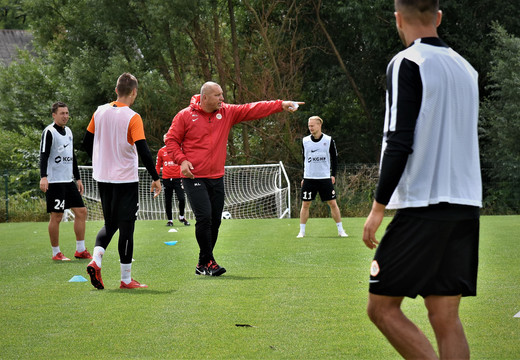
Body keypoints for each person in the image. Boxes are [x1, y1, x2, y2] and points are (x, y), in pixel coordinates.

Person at [362, 1, 481, 359]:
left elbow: (399, 139)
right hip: (466, 204)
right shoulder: (467, 68)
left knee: (381, 307)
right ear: (438, 17)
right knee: (445, 316)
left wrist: (378, 207)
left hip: (424, 204)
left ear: (398, 18)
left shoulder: (407, 62)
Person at [165, 81, 303, 276]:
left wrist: (280, 104)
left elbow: (252, 109)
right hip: (193, 176)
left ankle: (203, 263)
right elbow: (170, 140)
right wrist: (182, 161)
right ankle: (209, 261)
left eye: (222, 94)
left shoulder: (227, 112)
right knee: (204, 218)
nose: (222, 98)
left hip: (217, 177)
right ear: (204, 97)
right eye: (217, 95)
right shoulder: (185, 115)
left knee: (215, 222)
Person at [83, 73, 161, 290]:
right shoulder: (132, 117)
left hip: (103, 177)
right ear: (134, 92)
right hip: (125, 179)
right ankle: (126, 279)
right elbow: (143, 150)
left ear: (116, 90)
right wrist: (156, 177)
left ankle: (96, 260)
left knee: (110, 224)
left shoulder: (99, 111)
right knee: (126, 227)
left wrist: (100, 160)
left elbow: (86, 141)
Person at [39, 102, 91, 261]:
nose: (65, 116)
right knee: (57, 216)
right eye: (62, 113)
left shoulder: (68, 131)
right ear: (54, 115)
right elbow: (44, 155)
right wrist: (43, 176)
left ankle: (80, 250)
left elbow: (72, 156)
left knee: (82, 212)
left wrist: (78, 178)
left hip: (68, 181)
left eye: (67, 113)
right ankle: (56, 253)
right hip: (54, 181)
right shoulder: (48, 132)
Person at [297, 116, 348, 239]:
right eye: (309, 126)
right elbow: (305, 160)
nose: (310, 128)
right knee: (305, 204)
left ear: (319, 125)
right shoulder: (305, 141)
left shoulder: (329, 140)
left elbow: (334, 159)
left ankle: (341, 230)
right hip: (309, 178)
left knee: (332, 203)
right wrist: (304, 176)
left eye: (312, 125)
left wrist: (333, 175)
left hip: (324, 178)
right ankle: (302, 231)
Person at [156, 134, 190, 227]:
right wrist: (155, 178)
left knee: (182, 198)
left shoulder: (178, 150)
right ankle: (170, 220)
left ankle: (181, 216)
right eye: (165, 139)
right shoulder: (161, 151)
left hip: (178, 178)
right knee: (168, 200)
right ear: (164, 140)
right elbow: (158, 165)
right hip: (166, 179)